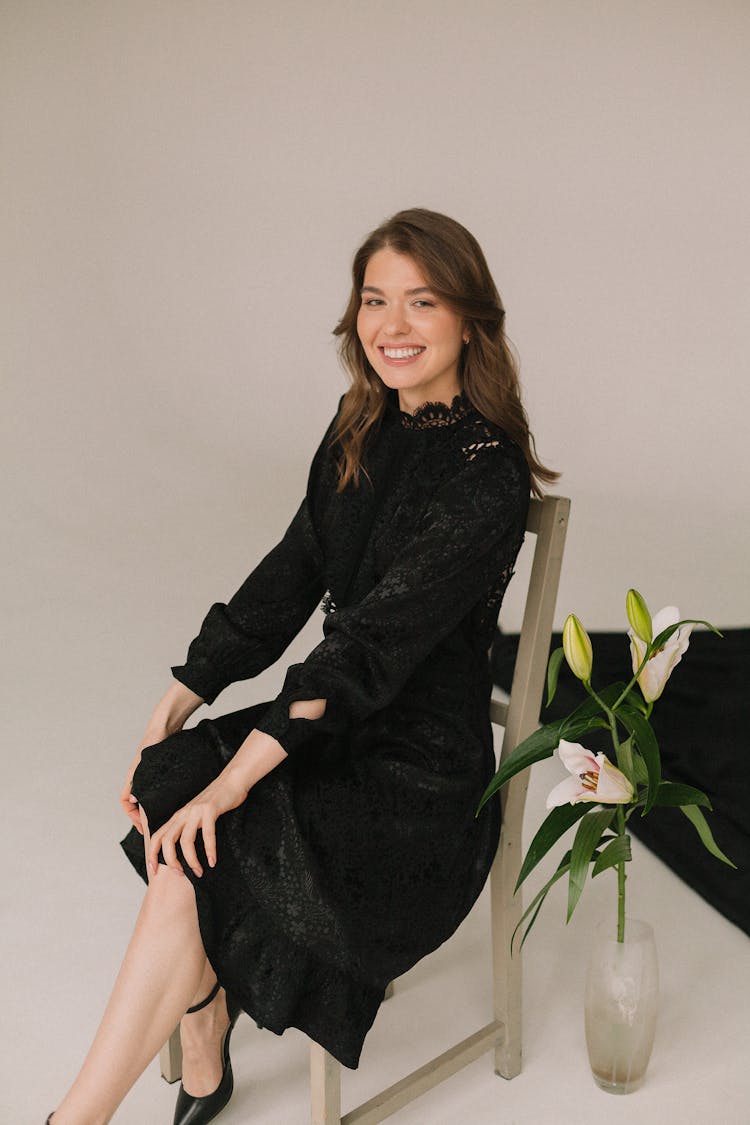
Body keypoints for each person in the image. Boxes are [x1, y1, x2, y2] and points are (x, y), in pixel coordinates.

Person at [47, 208, 558, 1124]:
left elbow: (362, 652)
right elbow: (289, 577)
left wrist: (235, 780)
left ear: (470, 320)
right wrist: (173, 703)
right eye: (374, 300)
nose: (391, 326)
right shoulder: (359, 423)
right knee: (176, 781)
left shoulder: (486, 473)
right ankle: (194, 1029)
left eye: (422, 301)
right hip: (328, 729)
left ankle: (82, 1113)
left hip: (414, 783)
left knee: (216, 818)